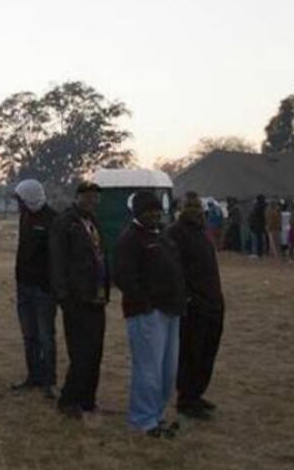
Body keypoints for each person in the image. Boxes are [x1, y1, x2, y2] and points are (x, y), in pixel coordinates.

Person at [115, 191, 186, 438]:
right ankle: (142, 420)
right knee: (148, 368)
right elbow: (124, 277)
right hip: (147, 313)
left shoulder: (162, 236)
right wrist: (145, 303)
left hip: (170, 310)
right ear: (138, 212)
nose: (154, 214)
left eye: (157, 210)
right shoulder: (131, 238)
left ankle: (157, 414)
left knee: (168, 369)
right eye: (149, 211)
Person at [50, 181, 110, 420]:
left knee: (96, 351)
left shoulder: (93, 222)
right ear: (78, 198)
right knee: (80, 352)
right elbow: (56, 260)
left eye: (96, 198)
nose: (92, 202)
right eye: (88, 198)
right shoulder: (65, 223)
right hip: (76, 298)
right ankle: (69, 399)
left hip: (97, 297)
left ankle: (88, 398)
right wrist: (63, 295)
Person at [167, 192, 225, 420]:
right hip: (194, 305)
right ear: (182, 208)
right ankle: (186, 398)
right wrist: (187, 298)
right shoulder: (175, 233)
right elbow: (173, 270)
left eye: (197, 206)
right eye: (189, 206)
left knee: (208, 350)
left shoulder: (202, 232)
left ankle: (198, 393)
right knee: (192, 351)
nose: (194, 210)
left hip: (213, 300)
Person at [11, 179, 58, 399]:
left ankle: (50, 381)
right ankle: (34, 376)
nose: (17, 205)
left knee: (45, 336)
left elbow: (57, 257)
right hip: (24, 287)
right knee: (29, 335)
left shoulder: (53, 219)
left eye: (19, 200)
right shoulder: (25, 217)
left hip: (43, 290)